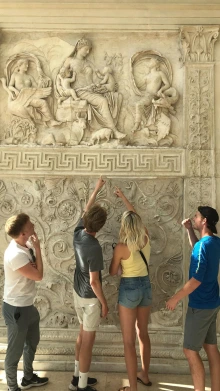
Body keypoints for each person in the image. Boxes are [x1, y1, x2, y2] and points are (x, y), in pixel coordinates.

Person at [166, 206, 220, 391]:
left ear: (204, 221)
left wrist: (175, 298)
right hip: (212, 303)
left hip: (200, 306)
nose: (194, 218)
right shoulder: (214, 242)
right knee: (211, 348)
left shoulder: (204, 246)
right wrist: (189, 229)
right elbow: (198, 252)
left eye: (197, 216)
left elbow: (196, 279)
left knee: (190, 350)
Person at [109, 187, 152, 391]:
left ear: (124, 226)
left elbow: (113, 271)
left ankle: (132, 387)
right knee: (143, 333)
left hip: (129, 288)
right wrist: (124, 198)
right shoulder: (145, 237)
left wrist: (115, 258)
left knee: (128, 341)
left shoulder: (121, 247)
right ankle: (145, 374)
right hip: (146, 285)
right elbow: (137, 216)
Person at [69, 177, 109, 391]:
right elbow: (94, 281)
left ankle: (76, 378)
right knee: (87, 342)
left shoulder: (77, 234)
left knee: (81, 336)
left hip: (77, 293)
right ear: (100, 227)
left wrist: (96, 189)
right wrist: (104, 303)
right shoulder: (94, 247)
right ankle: (82, 386)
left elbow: (86, 210)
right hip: (90, 299)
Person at [2, 213, 48, 391]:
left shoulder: (25, 245)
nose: (33, 225)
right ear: (23, 233)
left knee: (32, 342)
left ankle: (28, 377)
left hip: (27, 306)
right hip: (16, 309)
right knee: (14, 352)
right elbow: (39, 275)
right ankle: (12, 387)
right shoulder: (15, 254)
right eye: (30, 225)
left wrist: (35, 252)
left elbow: (36, 268)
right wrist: (37, 249)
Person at [59, 38, 124, 139]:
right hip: (79, 91)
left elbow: (97, 78)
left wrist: (101, 85)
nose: (88, 52)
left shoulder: (88, 63)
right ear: (79, 48)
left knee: (115, 96)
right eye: (86, 49)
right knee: (102, 101)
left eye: (89, 50)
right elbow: (60, 76)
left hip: (90, 89)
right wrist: (63, 88)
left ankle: (107, 128)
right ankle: (114, 131)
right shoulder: (69, 61)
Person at [3, 58, 60, 127]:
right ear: (20, 66)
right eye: (25, 65)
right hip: (20, 98)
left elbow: (36, 87)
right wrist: (15, 90)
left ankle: (51, 121)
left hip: (29, 97)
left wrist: (42, 83)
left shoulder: (29, 77)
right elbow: (10, 86)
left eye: (28, 65)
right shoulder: (15, 75)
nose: (27, 66)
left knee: (43, 102)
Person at [132, 57, 170, 132]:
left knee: (138, 104)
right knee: (133, 103)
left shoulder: (160, 73)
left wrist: (161, 90)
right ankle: (145, 124)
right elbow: (139, 86)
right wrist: (131, 78)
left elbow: (167, 84)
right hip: (146, 95)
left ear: (156, 64)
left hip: (153, 95)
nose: (149, 62)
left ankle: (136, 125)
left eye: (151, 61)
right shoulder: (147, 76)